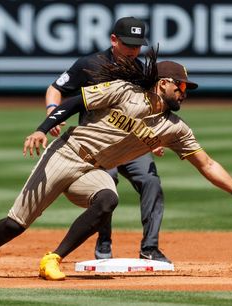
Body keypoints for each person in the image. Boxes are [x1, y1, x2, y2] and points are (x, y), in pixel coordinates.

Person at [0, 57, 232, 281]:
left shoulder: (174, 129)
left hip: (92, 171)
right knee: (14, 225)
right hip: (65, 154)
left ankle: (52, 258)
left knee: (108, 199)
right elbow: (76, 102)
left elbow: (206, 164)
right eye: (181, 86)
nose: (185, 92)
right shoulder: (124, 92)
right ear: (163, 84)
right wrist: (42, 127)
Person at [45, 16, 168, 262]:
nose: (133, 50)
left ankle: (150, 248)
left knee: (151, 182)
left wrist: (154, 137)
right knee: (106, 185)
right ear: (113, 40)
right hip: (98, 144)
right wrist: (52, 112)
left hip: (132, 142)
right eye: (128, 44)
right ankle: (104, 242)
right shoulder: (89, 64)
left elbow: (150, 107)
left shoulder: (141, 70)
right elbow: (56, 88)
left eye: (137, 45)